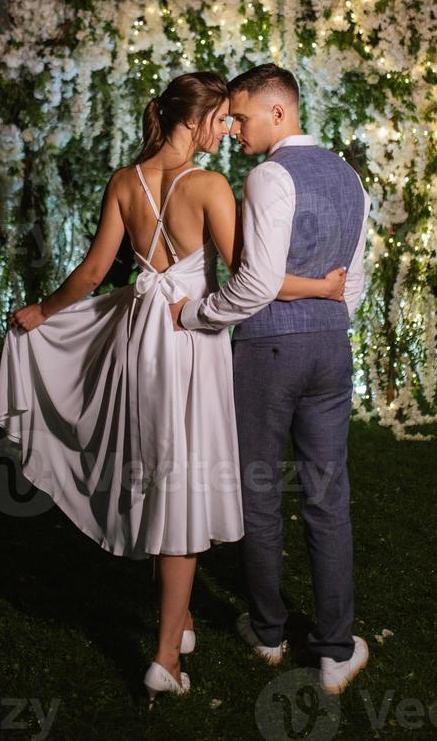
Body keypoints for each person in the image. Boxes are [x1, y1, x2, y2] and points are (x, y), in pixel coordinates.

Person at [0, 70, 349, 706]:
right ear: (197, 119)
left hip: (139, 338)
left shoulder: (125, 181)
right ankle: (163, 658)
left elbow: (97, 270)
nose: (229, 128)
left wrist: (42, 313)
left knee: (157, 468)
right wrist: (322, 288)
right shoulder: (210, 186)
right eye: (222, 118)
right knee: (182, 482)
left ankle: (181, 625)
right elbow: (255, 278)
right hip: (188, 343)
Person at [169, 63, 372, 696]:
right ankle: (337, 650)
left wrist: (199, 314)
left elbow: (255, 282)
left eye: (241, 117)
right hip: (332, 349)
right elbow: (354, 280)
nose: (232, 129)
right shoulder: (351, 177)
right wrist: (328, 320)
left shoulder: (268, 176)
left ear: (278, 113)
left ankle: (269, 633)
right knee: (326, 493)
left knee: (259, 491)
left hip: (266, 354)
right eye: (227, 119)